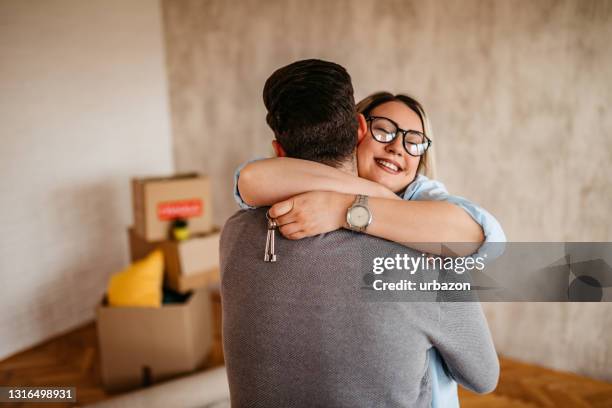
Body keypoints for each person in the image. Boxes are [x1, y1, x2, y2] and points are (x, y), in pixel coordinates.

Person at [220, 59, 499, 407]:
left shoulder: (234, 232)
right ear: (360, 131)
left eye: (414, 141)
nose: (397, 146)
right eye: (385, 130)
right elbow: (484, 377)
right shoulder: (424, 266)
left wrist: (345, 208)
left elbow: (482, 233)